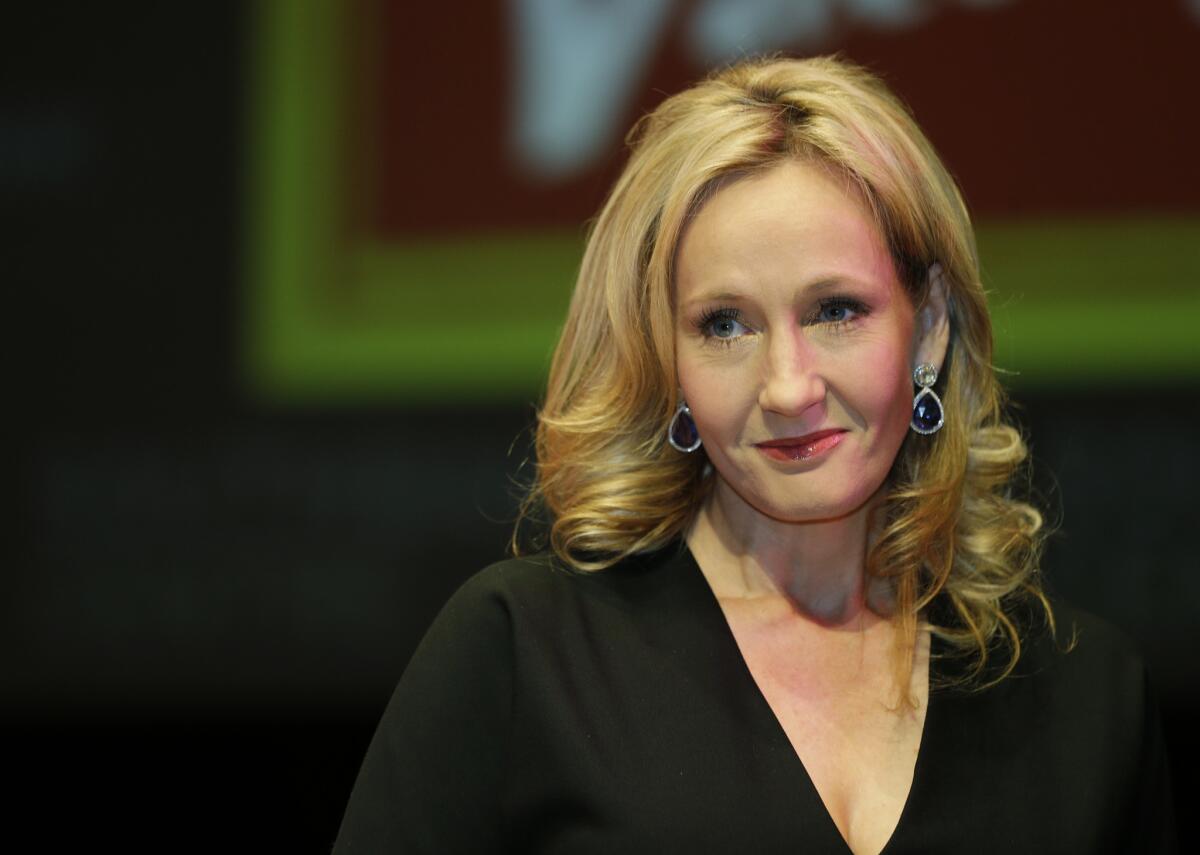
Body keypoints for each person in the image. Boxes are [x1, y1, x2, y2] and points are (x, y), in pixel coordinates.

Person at [332, 56, 1177, 854]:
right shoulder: (527, 655)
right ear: (666, 358)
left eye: (836, 310)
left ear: (930, 328)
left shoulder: (1086, 700)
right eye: (725, 324)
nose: (787, 386)